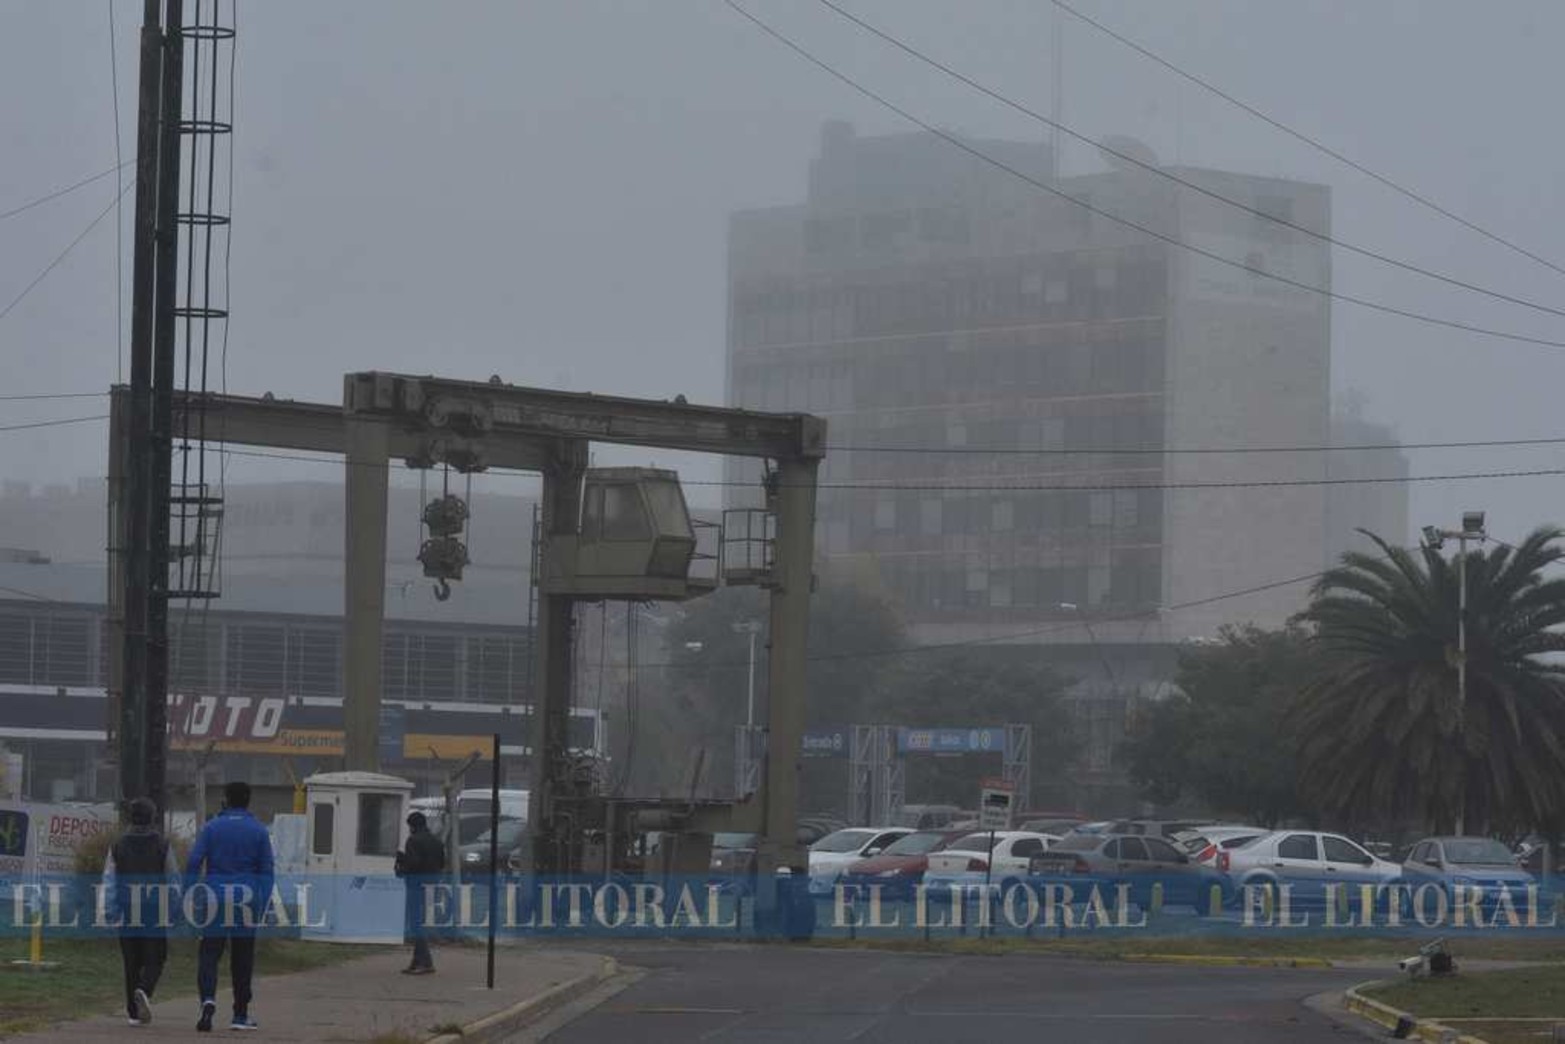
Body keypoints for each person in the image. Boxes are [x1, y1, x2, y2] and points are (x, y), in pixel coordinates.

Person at [185, 781, 274, 1032]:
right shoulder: (258, 830)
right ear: (248, 801)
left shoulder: (211, 828)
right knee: (242, 958)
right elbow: (267, 871)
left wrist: (190, 893)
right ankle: (240, 1014)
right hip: (245, 901)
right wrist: (264, 902)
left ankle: (208, 1001)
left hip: (214, 898)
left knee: (209, 954)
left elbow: (193, 862)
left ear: (225, 799)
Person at [102, 796, 178, 1027]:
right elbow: (173, 880)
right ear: (153, 818)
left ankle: (133, 1013)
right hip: (154, 909)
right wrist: (174, 909)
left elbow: (110, 881)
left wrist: (110, 910)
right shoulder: (162, 845)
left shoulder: (118, 845)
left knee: (131, 961)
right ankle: (144, 990)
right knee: (157, 957)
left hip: (127, 908)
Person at [394, 811, 446, 975]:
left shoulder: (413, 841)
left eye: (410, 826)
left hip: (416, 886)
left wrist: (402, 862)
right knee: (420, 923)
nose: (409, 829)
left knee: (416, 925)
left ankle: (425, 962)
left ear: (413, 826)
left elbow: (414, 864)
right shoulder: (437, 842)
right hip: (432, 886)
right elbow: (442, 863)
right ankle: (416, 961)